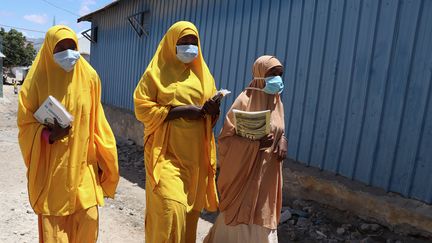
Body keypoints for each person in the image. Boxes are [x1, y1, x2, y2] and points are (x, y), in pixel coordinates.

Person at [17, 25, 119, 243]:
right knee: (55, 235)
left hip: (84, 169)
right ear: (48, 50)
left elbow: (97, 121)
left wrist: (106, 159)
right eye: (60, 48)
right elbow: (25, 125)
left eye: (71, 46)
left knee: (88, 225)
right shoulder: (35, 82)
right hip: (53, 175)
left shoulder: (89, 77)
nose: (67, 53)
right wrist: (48, 135)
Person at [133, 21, 220, 243]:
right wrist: (180, 111)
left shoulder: (203, 76)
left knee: (188, 215)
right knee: (169, 210)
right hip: (164, 155)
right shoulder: (155, 73)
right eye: (184, 42)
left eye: (194, 42)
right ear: (172, 43)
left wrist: (212, 110)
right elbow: (142, 108)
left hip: (194, 159)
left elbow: (208, 118)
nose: (189, 47)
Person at [204, 55, 288, 243]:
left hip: (267, 176)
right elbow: (225, 140)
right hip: (242, 176)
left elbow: (278, 129)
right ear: (260, 74)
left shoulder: (277, 103)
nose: (277, 78)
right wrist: (254, 145)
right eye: (272, 73)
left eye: (280, 74)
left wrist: (283, 140)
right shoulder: (243, 101)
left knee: (262, 219)